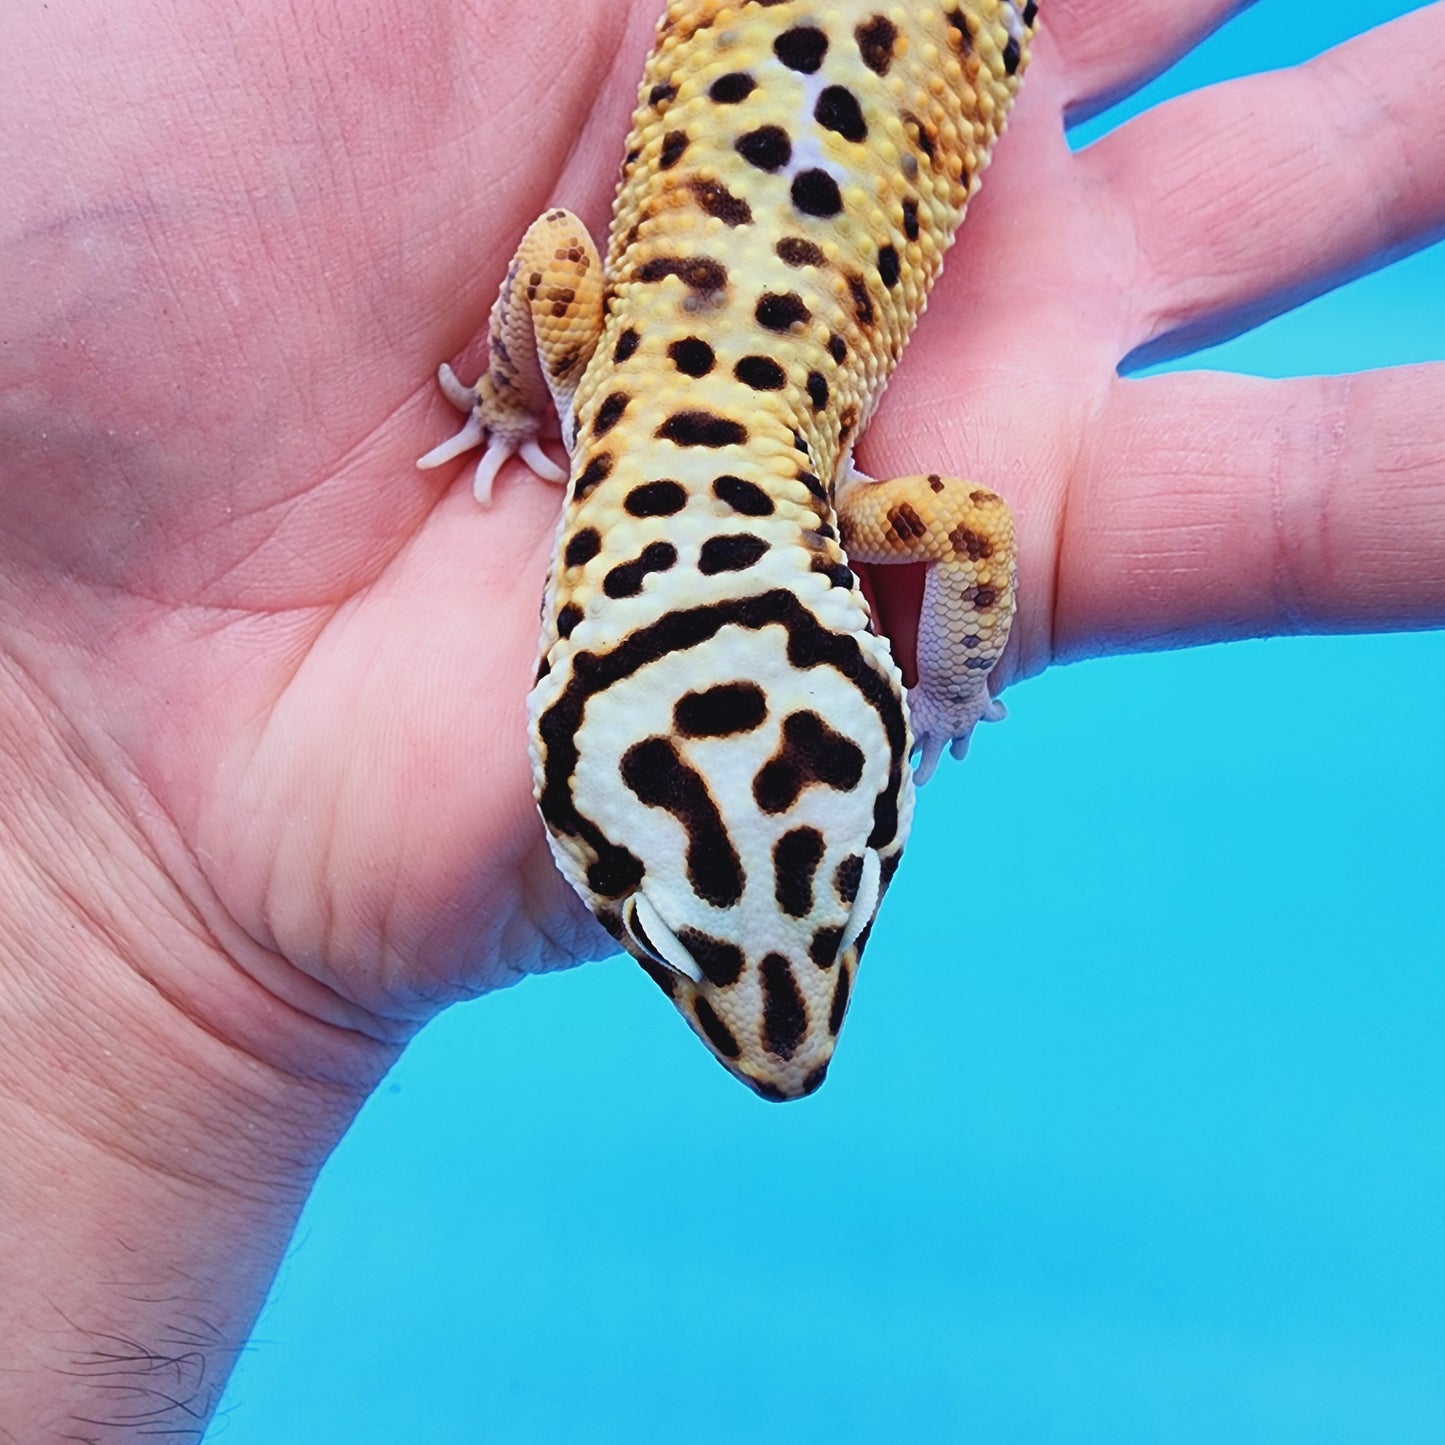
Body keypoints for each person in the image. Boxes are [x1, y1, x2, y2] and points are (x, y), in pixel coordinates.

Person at [1, 0, 1441, 1433]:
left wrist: (942, 677)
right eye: (842, 900)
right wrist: (525, 394)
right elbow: (555, 268)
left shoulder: (827, 501)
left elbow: (966, 534)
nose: (787, 1046)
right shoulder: (592, 374)